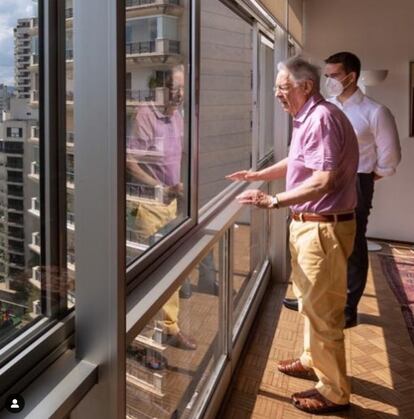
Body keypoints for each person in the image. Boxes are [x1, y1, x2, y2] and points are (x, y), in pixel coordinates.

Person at [227, 56, 359, 414]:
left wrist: (272, 200)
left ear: (306, 87)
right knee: (310, 305)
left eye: (283, 88)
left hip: (322, 228)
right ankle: (310, 359)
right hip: (311, 224)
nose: (277, 94)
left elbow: (323, 179)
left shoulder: (322, 119)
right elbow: (297, 161)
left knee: (324, 313)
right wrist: (258, 176)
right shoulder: (309, 117)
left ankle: (334, 392)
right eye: (276, 88)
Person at [282, 52, 401, 328]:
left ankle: (348, 308)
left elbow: (390, 157)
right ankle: (308, 297)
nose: (329, 81)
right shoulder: (324, 108)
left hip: (357, 180)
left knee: (352, 244)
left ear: (352, 76)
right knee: (317, 241)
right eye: (326, 76)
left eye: (333, 76)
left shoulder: (375, 111)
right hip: (320, 178)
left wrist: (367, 178)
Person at [127, 65, 197, 352]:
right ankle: (162, 330)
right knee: (158, 269)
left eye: (182, 89)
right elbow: (130, 160)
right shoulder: (146, 114)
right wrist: (161, 187)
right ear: (161, 88)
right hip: (150, 203)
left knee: (169, 266)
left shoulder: (177, 116)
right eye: (174, 88)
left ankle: (162, 326)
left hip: (171, 202)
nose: (180, 94)